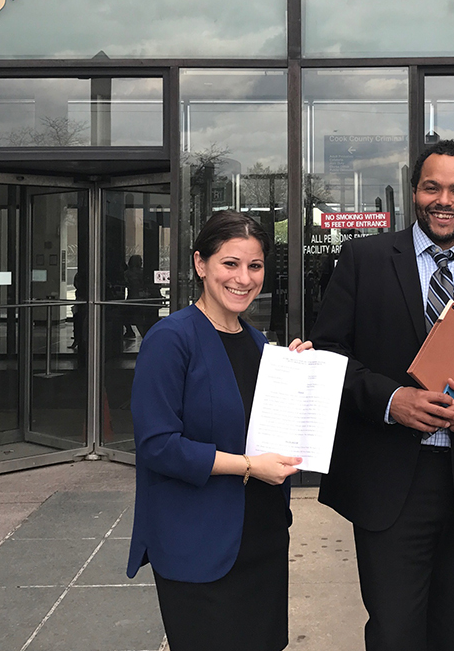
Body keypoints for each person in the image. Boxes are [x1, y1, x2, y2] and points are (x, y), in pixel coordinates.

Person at [310, 140, 454, 651]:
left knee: (451, 631)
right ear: (415, 191)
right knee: (394, 631)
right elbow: (328, 355)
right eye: (432, 187)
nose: (445, 200)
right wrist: (392, 400)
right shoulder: (363, 260)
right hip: (390, 482)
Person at [127, 210, 310, 651]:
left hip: (261, 537)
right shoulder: (171, 339)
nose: (243, 278)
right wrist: (249, 466)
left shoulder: (258, 343)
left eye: (255, 265)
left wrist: (295, 375)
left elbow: (261, 429)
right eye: (230, 263)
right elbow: (158, 446)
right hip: (199, 544)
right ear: (200, 264)